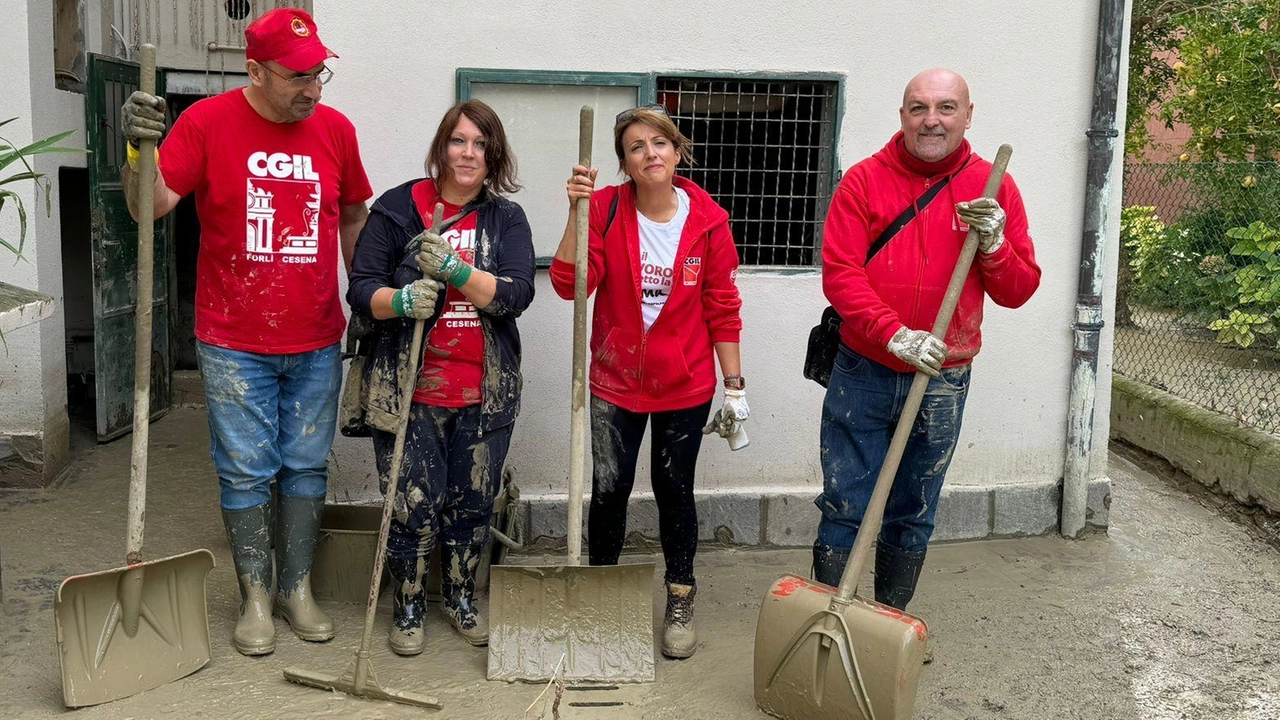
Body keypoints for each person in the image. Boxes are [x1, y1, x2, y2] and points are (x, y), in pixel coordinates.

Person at [119, 8, 373, 656]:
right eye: (297, 76)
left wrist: (366, 292)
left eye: (320, 72)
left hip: (315, 334)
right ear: (254, 70)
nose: (313, 88)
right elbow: (147, 205)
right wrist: (135, 151)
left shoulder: (337, 131)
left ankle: (296, 589)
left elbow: (352, 218)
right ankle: (255, 596)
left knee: (306, 467)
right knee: (244, 471)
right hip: (232, 337)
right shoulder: (206, 123)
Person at [813, 68, 1041, 614]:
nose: (931, 120)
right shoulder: (865, 181)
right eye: (918, 108)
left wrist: (995, 245)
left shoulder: (993, 187)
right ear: (902, 116)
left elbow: (1018, 290)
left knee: (913, 506)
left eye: (944, 107)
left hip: (942, 379)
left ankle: (887, 626)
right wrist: (893, 334)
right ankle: (831, 619)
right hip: (863, 369)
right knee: (846, 502)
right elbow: (841, 273)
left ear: (967, 114)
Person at [552, 105, 747, 659]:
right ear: (625, 163)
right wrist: (578, 212)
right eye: (636, 147)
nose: (650, 153)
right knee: (609, 490)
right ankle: (600, 597)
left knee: (674, 491)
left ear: (677, 152)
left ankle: (680, 596)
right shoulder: (609, 210)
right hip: (615, 381)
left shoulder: (708, 221)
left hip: (684, 386)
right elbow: (569, 284)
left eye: (659, 143)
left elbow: (722, 306)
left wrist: (734, 385)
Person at [346, 100, 534, 655]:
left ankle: (460, 597)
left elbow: (516, 294)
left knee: (472, 505)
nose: (468, 153)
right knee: (411, 503)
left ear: (492, 154)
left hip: (483, 391)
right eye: (458, 141)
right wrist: (401, 301)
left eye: (480, 143)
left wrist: (457, 271)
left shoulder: (505, 219)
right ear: (442, 147)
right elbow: (360, 288)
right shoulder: (399, 209)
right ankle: (406, 606)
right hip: (408, 391)